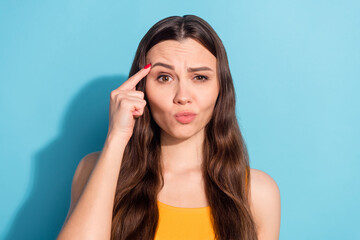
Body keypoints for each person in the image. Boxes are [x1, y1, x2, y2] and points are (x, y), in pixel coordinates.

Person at [57, 15, 281, 240]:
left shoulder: (258, 193)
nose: (183, 97)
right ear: (141, 88)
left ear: (221, 88)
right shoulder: (95, 169)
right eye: (164, 77)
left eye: (200, 77)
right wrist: (116, 138)